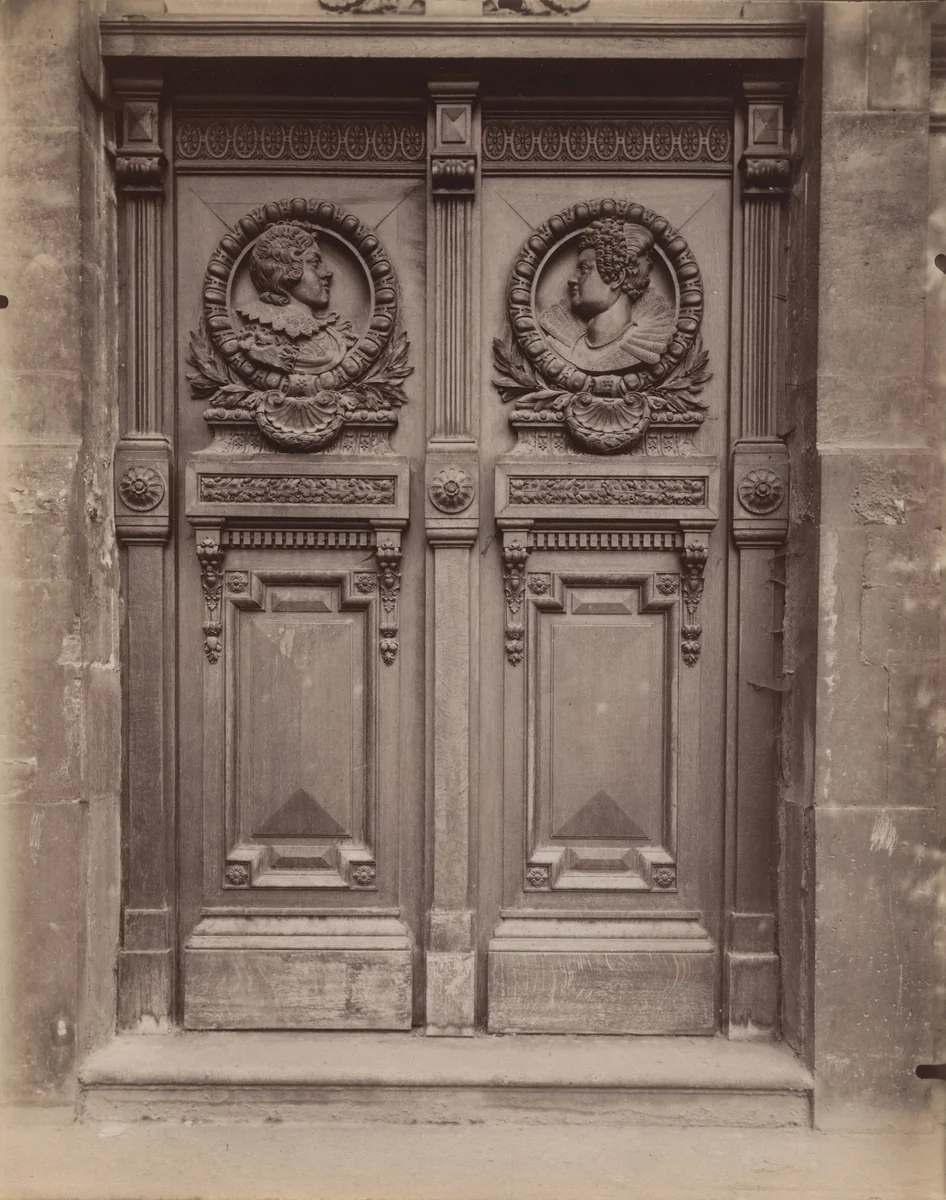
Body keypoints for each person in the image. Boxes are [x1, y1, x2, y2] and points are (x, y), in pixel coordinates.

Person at [539, 218, 675, 373]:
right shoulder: (563, 345)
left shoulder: (643, 347)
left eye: (584, 269)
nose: (572, 280)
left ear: (616, 278)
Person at [236, 221, 357, 378]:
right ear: (287, 270)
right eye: (315, 263)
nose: (327, 273)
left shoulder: (332, 334)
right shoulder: (261, 337)